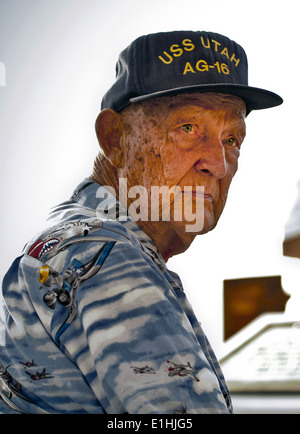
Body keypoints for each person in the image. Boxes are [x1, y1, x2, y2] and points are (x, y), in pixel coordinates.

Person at [0, 30, 282, 414]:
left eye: (232, 139)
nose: (218, 164)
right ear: (114, 138)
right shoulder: (106, 257)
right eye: (188, 128)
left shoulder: (76, 239)